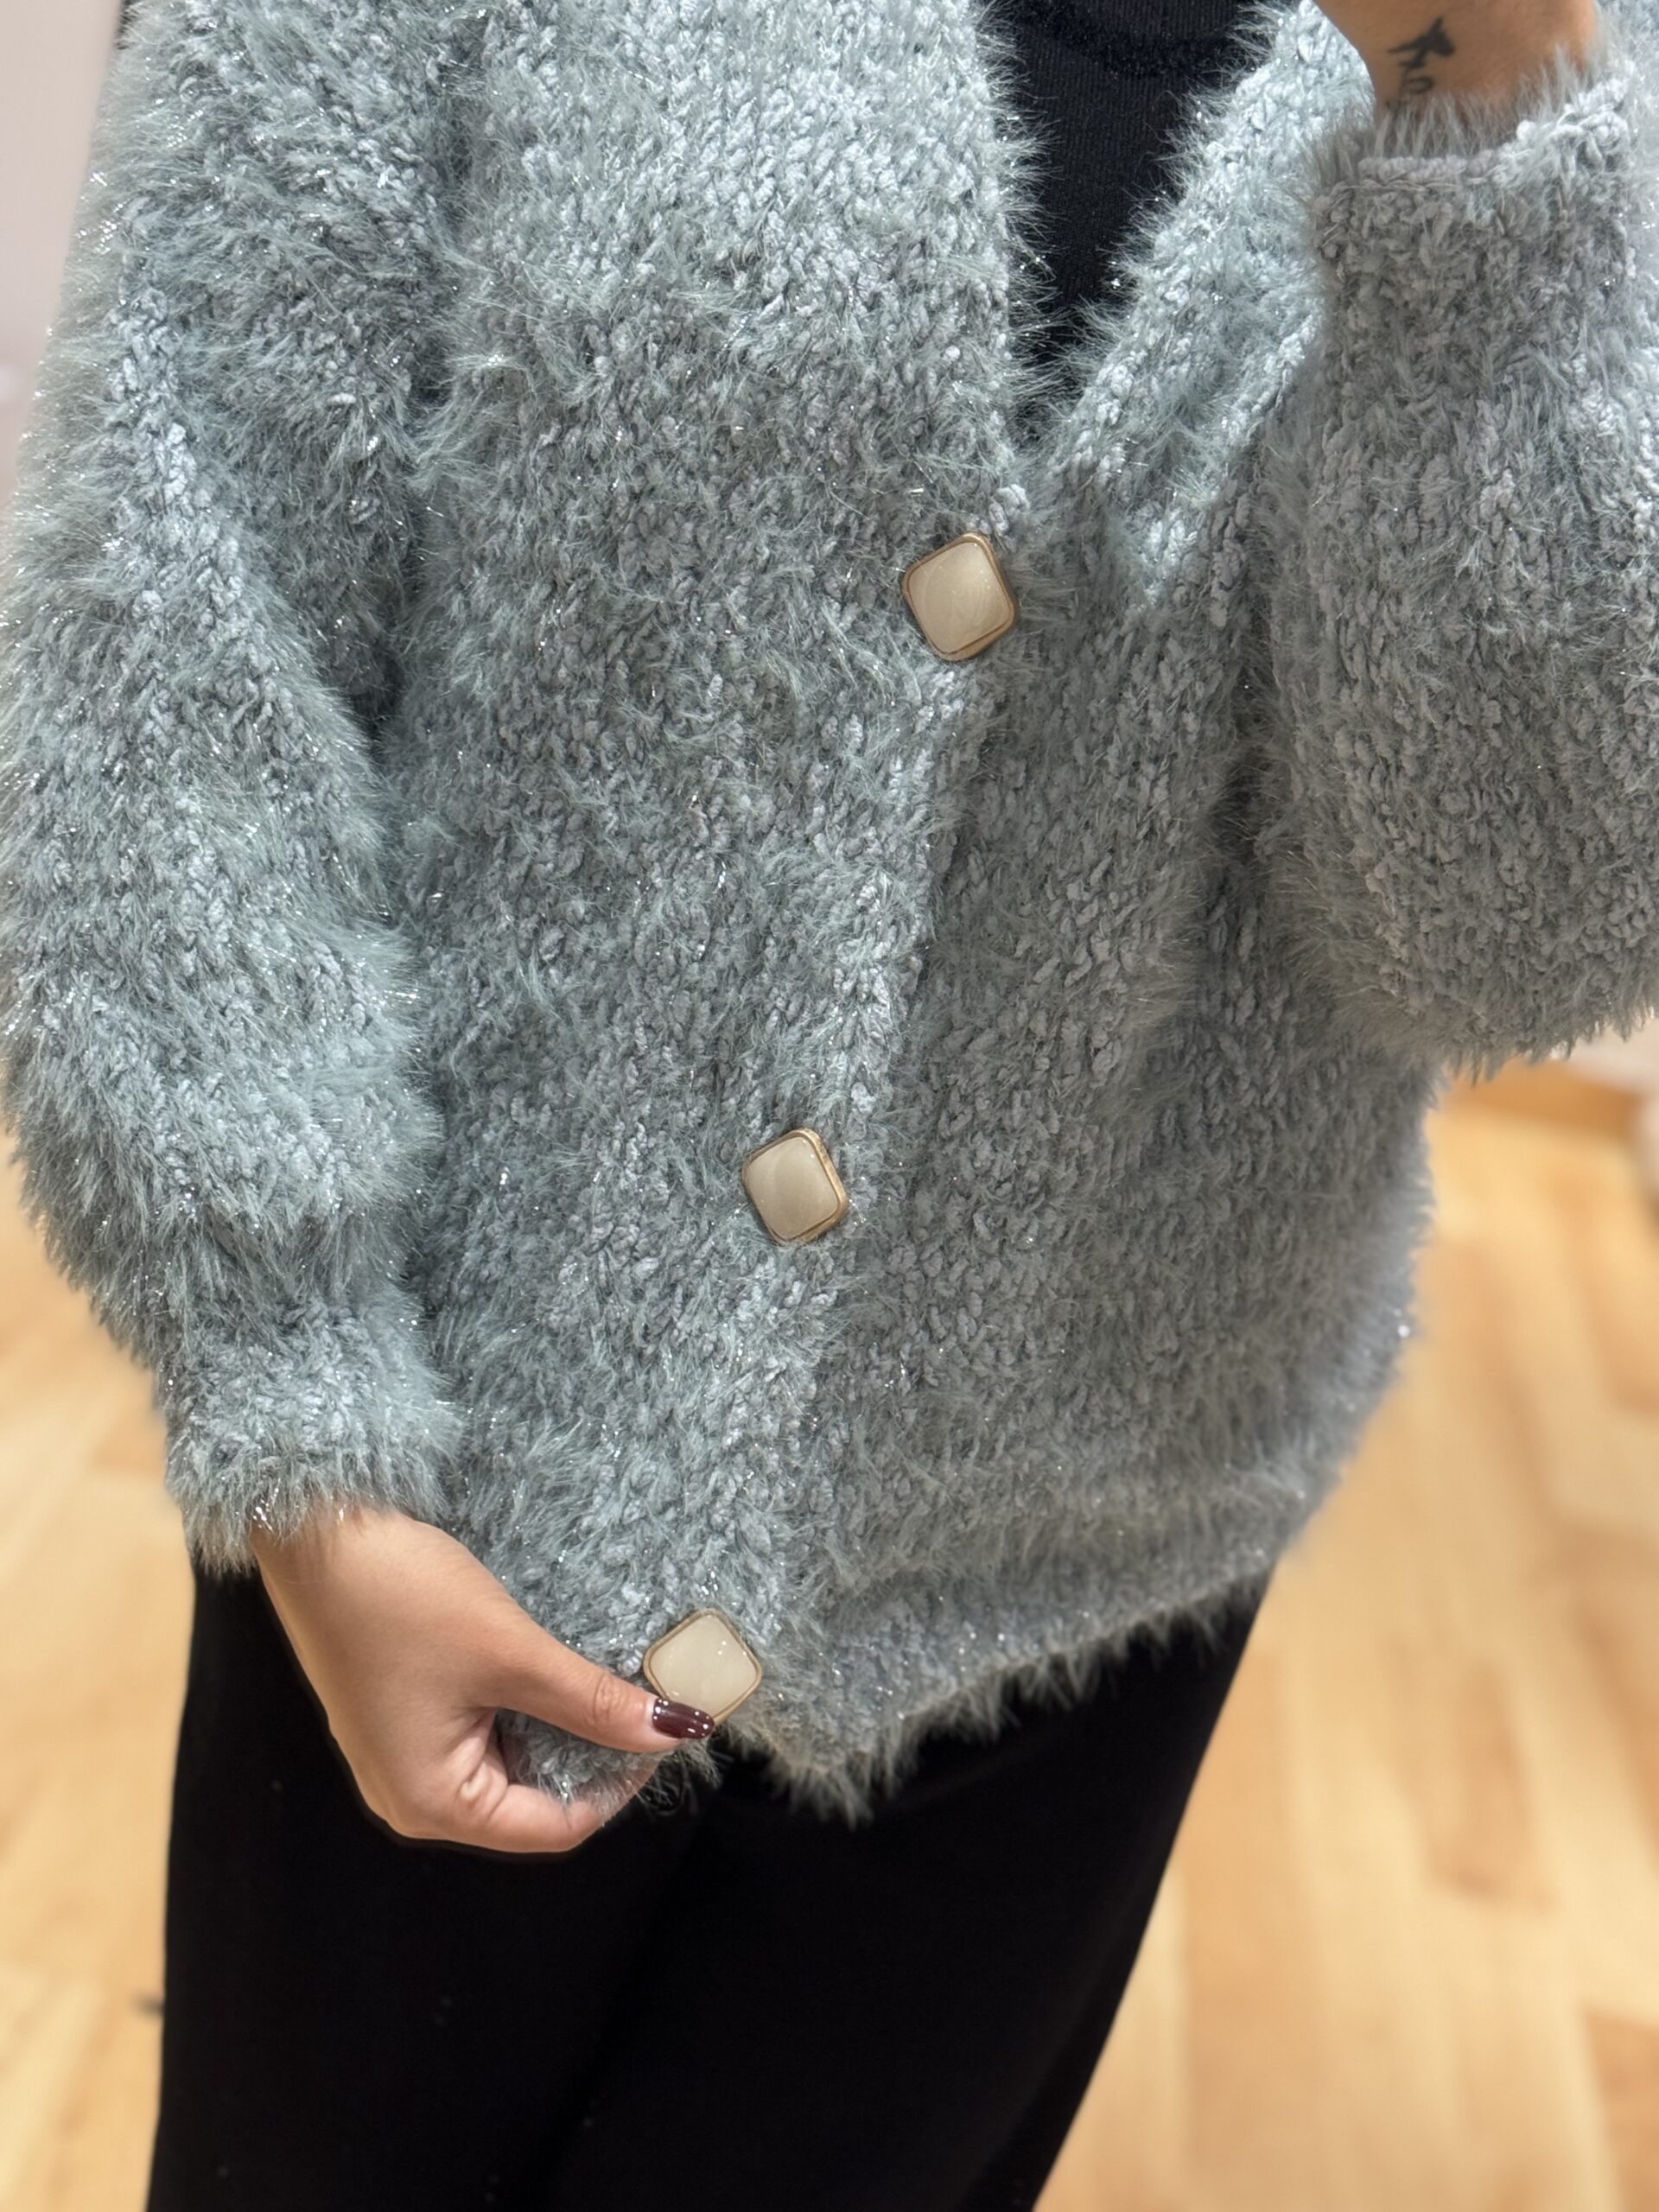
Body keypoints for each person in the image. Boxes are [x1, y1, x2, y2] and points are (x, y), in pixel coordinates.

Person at [0, 0, 1649, 2201]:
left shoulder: (1590, 68)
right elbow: (183, 593)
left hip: (1061, 1592)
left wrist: (1494, 118)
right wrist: (296, 1404)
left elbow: (1510, 930)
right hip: (443, 1486)